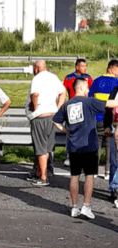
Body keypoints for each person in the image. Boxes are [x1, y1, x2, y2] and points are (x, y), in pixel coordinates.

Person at [53, 78, 118, 219]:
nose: (89, 90)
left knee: (74, 176)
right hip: (89, 144)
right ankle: (86, 206)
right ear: (81, 88)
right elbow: (110, 104)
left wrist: (66, 130)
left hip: (73, 145)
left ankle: (74, 207)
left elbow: (55, 121)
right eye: (87, 88)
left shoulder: (67, 105)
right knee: (89, 175)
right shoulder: (89, 101)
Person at [25, 60, 66, 186]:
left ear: (37, 69)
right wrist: (58, 108)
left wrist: (35, 106)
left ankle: (43, 177)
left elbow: (35, 94)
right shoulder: (53, 77)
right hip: (52, 116)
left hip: (40, 117)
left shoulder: (37, 78)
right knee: (47, 147)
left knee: (40, 148)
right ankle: (41, 172)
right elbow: (63, 92)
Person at [89, 59, 118, 183]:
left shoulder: (96, 81)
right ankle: (107, 171)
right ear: (112, 69)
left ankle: (94, 170)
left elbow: (90, 99)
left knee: (96, 144)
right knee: (109, 146)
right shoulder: (116, 83)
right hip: (110, 119)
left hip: (96, 118)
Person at [62, 58, 94, 167]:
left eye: (86, 66)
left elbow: (92, 93)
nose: (85, 68)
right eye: (82, 66)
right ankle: (69, 156)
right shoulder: (69, 78)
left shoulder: (89, 78)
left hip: (85, 108)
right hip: (72, 109)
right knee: (71, 133)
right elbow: (63, 93)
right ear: (77, 67)